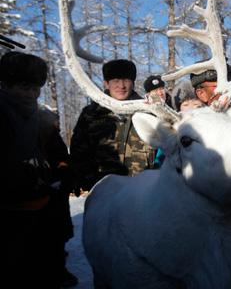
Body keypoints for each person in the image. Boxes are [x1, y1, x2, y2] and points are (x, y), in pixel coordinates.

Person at [0, 51, 77, 287]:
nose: (31, 94)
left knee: (48, 250)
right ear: (5, 84)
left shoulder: (43, 120)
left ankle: (55, 270)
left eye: (36, 88)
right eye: (24, 87)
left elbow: (59, 155)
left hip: (45, 203)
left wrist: (64, 171)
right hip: (9, 210)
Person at [70, 59, 156, 191]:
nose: (121, 86)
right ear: (106, 83)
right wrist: (84, 181)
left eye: (126, 80)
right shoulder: (91, 114)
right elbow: (78, 152)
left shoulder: (149, 112)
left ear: (133, 83)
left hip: (142, 191)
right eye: (115, 80)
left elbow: (163, 153)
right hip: (102, 191)